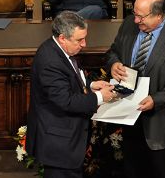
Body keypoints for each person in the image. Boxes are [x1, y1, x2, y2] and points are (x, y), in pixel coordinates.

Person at [106, 0, 165, 178]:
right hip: (131, 118)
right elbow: (113, 51)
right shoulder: (129, 26)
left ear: (158, 14)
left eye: (141, 16)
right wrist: (114, 64)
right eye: (135, 14)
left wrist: (155, 99)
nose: (136, 21)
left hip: (164, 124)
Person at [26, 11, 116, 178]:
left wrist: (91, 84)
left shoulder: (62, 50)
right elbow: (65, 100)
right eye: (79, 40)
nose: (84, 44)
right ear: (62, 38)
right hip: (59, 144)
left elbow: (70, 78)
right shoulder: (50, 61)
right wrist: (99, 97)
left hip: (65, 140)